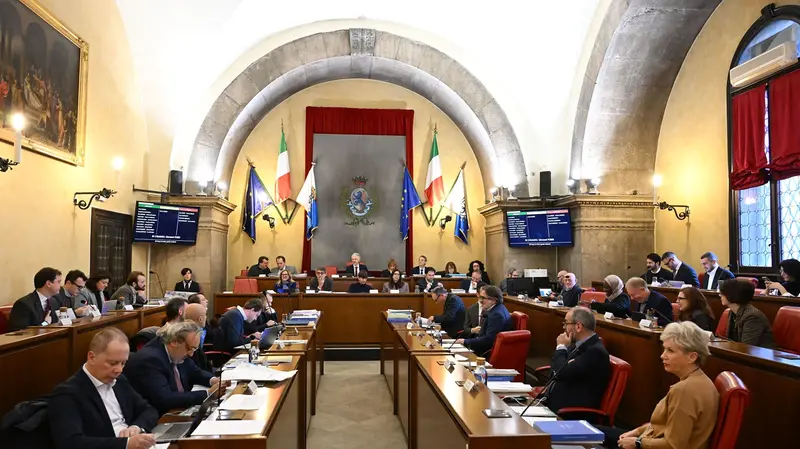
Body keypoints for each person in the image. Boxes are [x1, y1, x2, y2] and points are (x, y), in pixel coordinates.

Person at [602, 322, 719, 449]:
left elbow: (673, 445)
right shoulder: (699, 380)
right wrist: (637, 432)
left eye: (670, 351)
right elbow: (664, 424)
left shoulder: (685, 390)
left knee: (589, 437)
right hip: (650, 437)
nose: (663, 356)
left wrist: (637, 443)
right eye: (664, 349)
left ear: (692, 357)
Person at [48, 328, 158, 449]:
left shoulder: (120, 381)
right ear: (91, 357)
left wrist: (136, 427)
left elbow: (149, 410)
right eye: (112, 363)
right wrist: (126, 444)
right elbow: (71, 443)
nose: (119, 370)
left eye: (123, 363)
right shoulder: (67, 394)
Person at [124, 321, 218, 416]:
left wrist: (214, 380)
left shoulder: (179, 351)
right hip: (160, 417)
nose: (191, 354)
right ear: (174, 342)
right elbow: (165, 399)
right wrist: (208, 393)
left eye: (194, 349)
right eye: (190, 348)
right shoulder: (150, 360)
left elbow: (194, 371)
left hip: (180, 409)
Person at [543, 307, 610, 415]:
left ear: (578, 326)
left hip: (569, 412)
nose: (564, 327)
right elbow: (555, 367)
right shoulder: (576, 344)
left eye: (566, 323)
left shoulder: (595, 352)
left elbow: (561, 373)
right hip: (552, 403)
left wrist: (561, 347)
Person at [456, 285, 510, 357]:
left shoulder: (496, 315)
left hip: (486, 354)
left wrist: (465, 341)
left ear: (493, 301)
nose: (480, 301)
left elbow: (488, 340)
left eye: (483, 298)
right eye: (480, 297)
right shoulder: (498, 309)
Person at [720, 278, 774, 347]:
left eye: (722, 293)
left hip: (758, 355)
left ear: (732, 294)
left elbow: (746, 347)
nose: (720, 295)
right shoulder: (732, 311)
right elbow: (730, 340)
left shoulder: (752, 316)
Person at [8, 267, 61, 331]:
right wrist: (45, 323)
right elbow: (19, 333)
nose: (60, 285)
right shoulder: (23, 304)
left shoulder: (53, 302)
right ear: (48, 284)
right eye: (58, 282)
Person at [184, 303, 210, 371]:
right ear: (200, 319)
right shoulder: (193, 337)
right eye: (205, 315)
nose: (206, 317)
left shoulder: (187, 333)